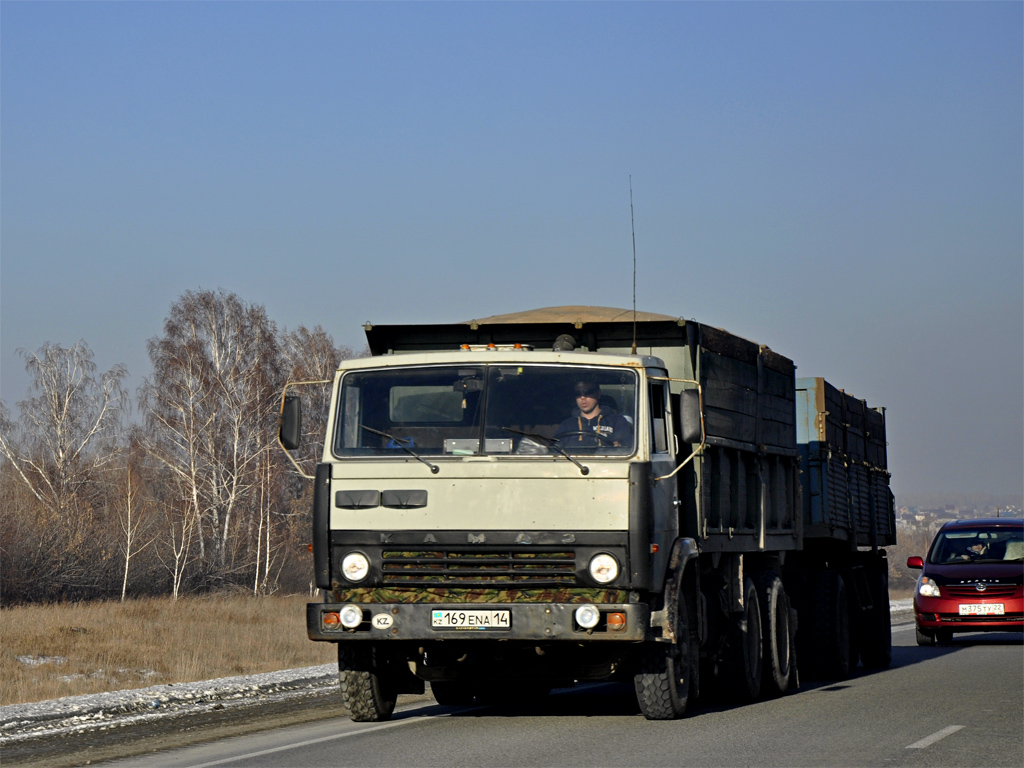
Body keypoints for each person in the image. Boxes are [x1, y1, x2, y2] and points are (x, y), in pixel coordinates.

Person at [555, 381, 633, 449]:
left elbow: (626, 449)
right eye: (578, 394)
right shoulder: (566, 425)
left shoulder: (617, 421)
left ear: (598, 394)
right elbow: (556, 451)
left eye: (588, 392)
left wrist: (618, 446)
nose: (582, 397)